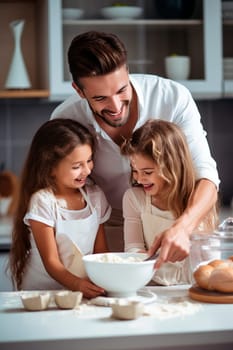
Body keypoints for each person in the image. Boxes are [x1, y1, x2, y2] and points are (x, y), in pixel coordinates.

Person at [51, 30, 220, 268]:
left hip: (175, 217)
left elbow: (206, 175)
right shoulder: (65, 119)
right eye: (100, 98)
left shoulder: (172, 98)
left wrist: (183, 227)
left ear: (128, 72)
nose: (116, 106)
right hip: (104, 226)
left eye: (121, 90)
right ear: (79, 91)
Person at [9, 118, 111, 298]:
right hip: (41, 293)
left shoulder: (96, 197)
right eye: (76, 166)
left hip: (80, 291)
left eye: (89, 160)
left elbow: (100, 252)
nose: (87, 170)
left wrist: (102, 280)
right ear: (50, 168)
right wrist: (77, 284)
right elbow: (51, 262)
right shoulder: (43, 201)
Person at [121, 119, 218, 285]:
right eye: (135, 171)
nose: (139, 178)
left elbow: (210, 261)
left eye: (147, 172)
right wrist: (149, 257)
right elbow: (132, 248)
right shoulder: (134, 199)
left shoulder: (196, 201)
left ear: (171, 166)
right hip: (152, 285)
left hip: (193, 285)